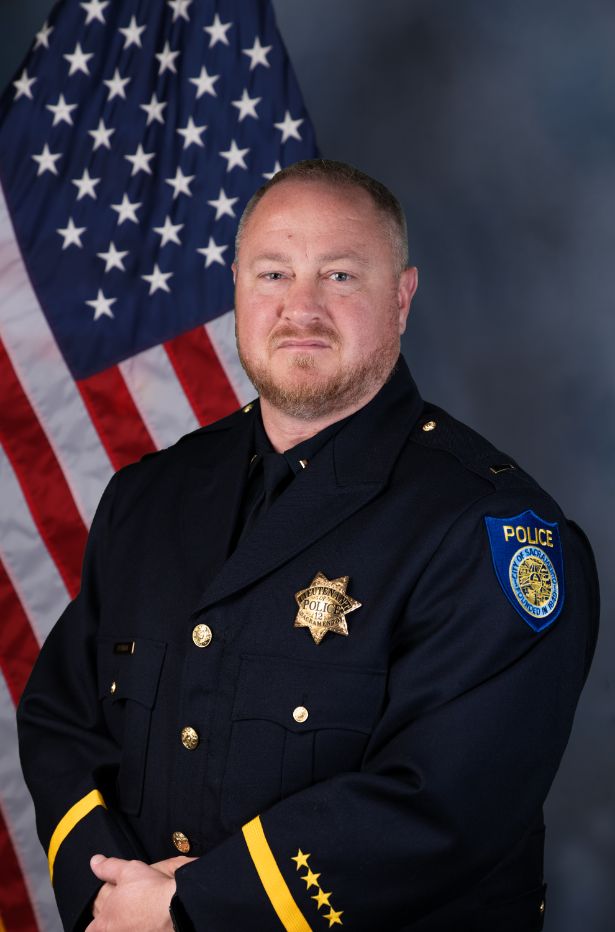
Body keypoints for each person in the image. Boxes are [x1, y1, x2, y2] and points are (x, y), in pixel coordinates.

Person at [17, 159, 599, 932]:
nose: (301, 307)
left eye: (339, 276)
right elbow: (62, 716)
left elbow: (446, 803)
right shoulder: (150, 496)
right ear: (235, 289)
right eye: (272, 274)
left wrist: (189, 907)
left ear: (401, 296)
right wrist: (109, 890)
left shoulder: (486, 529)